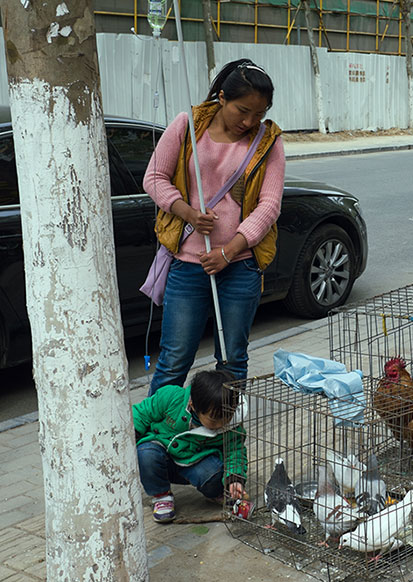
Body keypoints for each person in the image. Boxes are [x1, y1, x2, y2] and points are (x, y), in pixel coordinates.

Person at [144, 58, 285, 396]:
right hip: (188, 265)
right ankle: (154, 435)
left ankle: (224, 435)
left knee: (232, 359)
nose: (250, 121)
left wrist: (229, 250)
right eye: (242, 111)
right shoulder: (187, 126)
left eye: (259, 113)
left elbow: (270, 206)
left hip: (240, 266)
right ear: (222, 97)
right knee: (175, 359)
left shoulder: (268, 141)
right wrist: (187, 212)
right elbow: (154, 178)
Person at [133, 370, 248, 523]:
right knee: (146, 453)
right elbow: (141, 414)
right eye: (214, 421)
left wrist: (235, 479)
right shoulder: (171, 397)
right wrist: (131, 435)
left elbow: (236, 452)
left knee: (215, 475)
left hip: (196, 463)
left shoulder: (232, 426)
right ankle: (162, 496)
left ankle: (216, 493)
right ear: (192, 405)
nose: (221, 424)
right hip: (162, 456)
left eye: (228, 417)